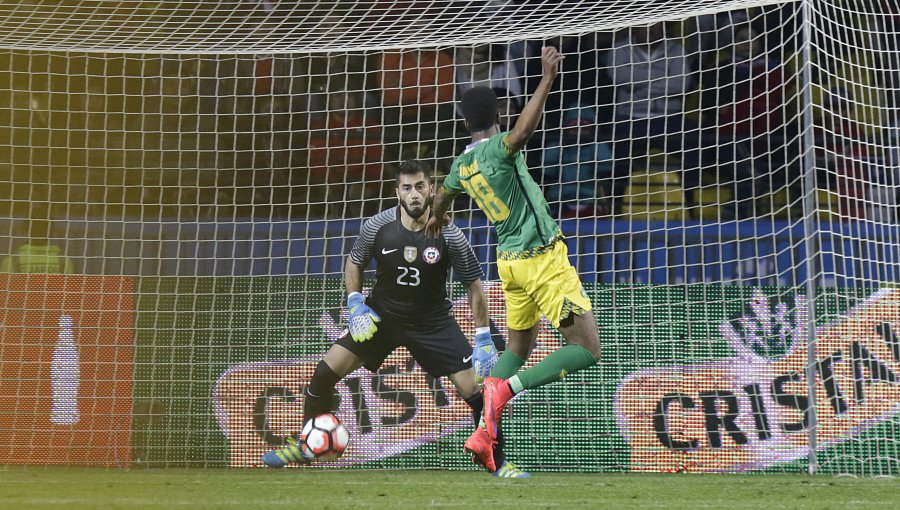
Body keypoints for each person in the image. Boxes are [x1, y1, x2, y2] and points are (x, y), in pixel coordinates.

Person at [261, 159, 529, 478]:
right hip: (382, 318)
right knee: (323, 373)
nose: (414, 194)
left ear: (431, 189)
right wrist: (356, 302)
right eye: (407, 188)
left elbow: (474, 287)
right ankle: (308, 445)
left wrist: (483, 337)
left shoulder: (451, 236)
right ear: (397, 192)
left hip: (432, 323)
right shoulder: (377, 226)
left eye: (419, 186)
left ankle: (496, 462)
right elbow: (354, 263)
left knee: (479, 393)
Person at [426, 47, 601, 471]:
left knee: (520, 348)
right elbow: (521, 135)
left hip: (508, 264)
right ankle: (504, 392)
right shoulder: (498, 149)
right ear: (500, 114)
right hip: (541, 258)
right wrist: (546, 79)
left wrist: (438, 215)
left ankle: (485, 431)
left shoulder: (460, 166)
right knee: (586, 348)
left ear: (464, 121)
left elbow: (444, 193)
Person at [1, 217, 74, 274]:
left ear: (26, 231)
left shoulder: (10, 262)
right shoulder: (64, 262)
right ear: (51, 232)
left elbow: (5, 291)